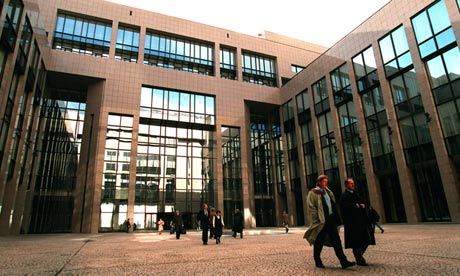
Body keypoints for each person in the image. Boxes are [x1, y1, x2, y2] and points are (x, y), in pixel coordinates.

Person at [303, 174, 356, 269]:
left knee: (337, 241)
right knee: (319, 241)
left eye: (326, 182)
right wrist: (317, 218)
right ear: (319, 182)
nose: (325, 183)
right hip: (322, 220)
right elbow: (311, 207)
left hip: (331, 219)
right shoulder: (313, 192)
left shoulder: (327, 191)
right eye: (324, 182)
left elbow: (332, 203)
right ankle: (317, 260)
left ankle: (343, 261)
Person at [339, 178, 376, 266]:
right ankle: (359, 258)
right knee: (356, 241)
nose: (353, 185)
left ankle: (359, 255)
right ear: (346, 185)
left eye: (353, 183)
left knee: (367, 239)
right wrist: (354, 206)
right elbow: (344, 208)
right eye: (351, 183)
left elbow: (362, 201)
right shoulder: (344, 196)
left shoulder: (356, 193)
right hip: (353, 223)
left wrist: (363, 205)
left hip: (362, 221)